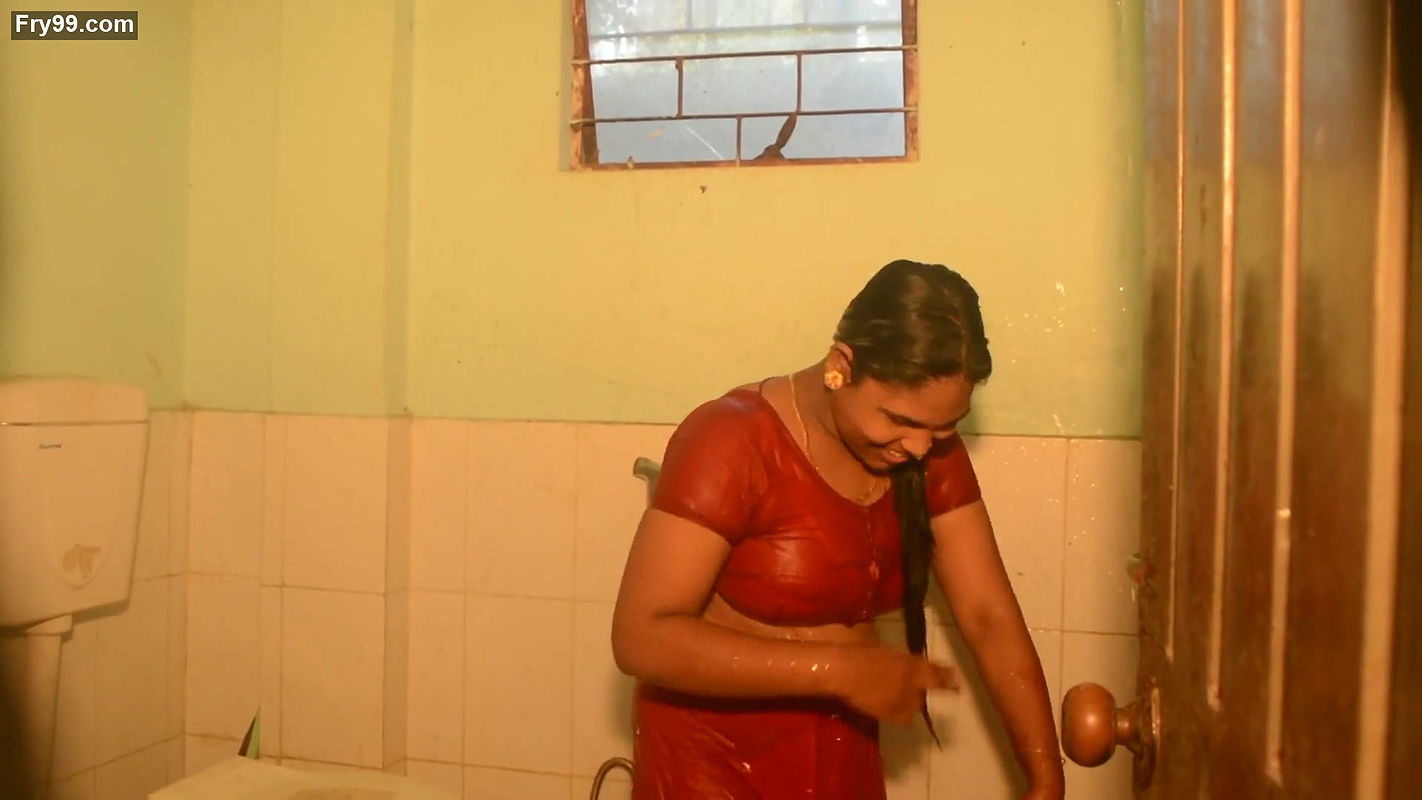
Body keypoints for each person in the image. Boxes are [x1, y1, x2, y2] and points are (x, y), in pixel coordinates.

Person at [611, 260, 1064, 799]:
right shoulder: (731, 440)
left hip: (839, 759)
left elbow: (988, 616)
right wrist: (836, 670)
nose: (920, 446)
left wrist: (1044, 778)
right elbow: (641, 637)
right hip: (711, 765)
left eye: (945, 426)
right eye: (899, 419)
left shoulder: (928, 453)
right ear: (839, 367)